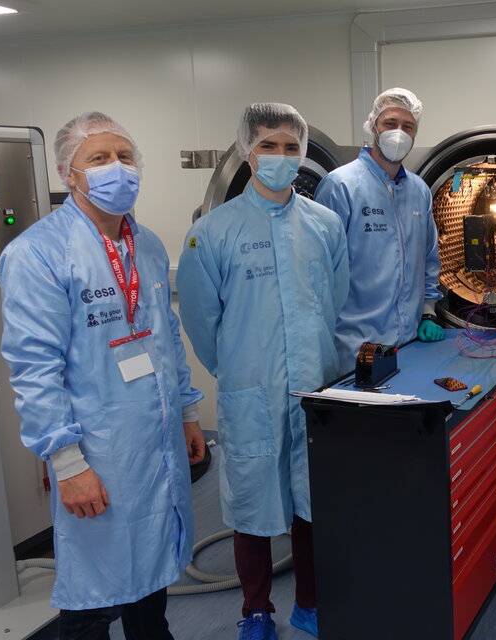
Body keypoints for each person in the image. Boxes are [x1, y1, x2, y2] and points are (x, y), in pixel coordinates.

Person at [0, 112, 205, 640]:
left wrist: (187, 412)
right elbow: (34, 369)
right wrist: (67, 464)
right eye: (100, 158)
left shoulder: (150, 246)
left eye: (125, 156)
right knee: (96, 588)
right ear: (70, 173)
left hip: (154, 439)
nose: (118, 168)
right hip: (98, 449)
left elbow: (166, 340)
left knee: (153, 566)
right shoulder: (38, 255)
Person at [177, 103, 349, 640]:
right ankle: (256, 610)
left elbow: (334, 302)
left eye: (290, 146)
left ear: (302, 154)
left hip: (314, 384)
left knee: (312, 500)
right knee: (251, 504)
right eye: (268, 145)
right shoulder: (214, 231)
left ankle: (311, 602)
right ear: (247, 152)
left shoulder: (325, 224)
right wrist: (239, 370)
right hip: (250, 390)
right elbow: (203, 323)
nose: (280, 156)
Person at [315, 87, 444, 370]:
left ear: (415, 134)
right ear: (373, 126)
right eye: (390, 124)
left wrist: (428, 312)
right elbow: (319, 273)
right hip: (354, 349)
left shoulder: (419, 191)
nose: (398, 132)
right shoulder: (341, 186)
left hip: (409, 345)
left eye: (407, 126)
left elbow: (429, 258)